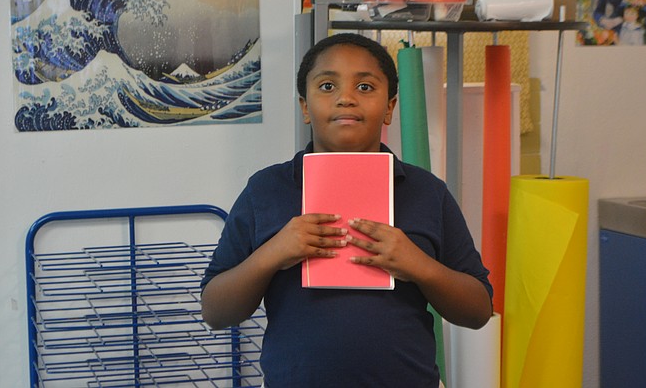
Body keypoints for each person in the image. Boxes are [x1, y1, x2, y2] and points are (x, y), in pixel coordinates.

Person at [200, 33, 493, 387]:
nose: (346, 98)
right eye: (327, 86)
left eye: (365, 87)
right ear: (305, 106)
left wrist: (419, 266)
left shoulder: (427, 192)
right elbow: (215, 311)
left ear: (390, 107)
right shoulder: (265, 190)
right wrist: (273, 253)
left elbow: (478, 311)